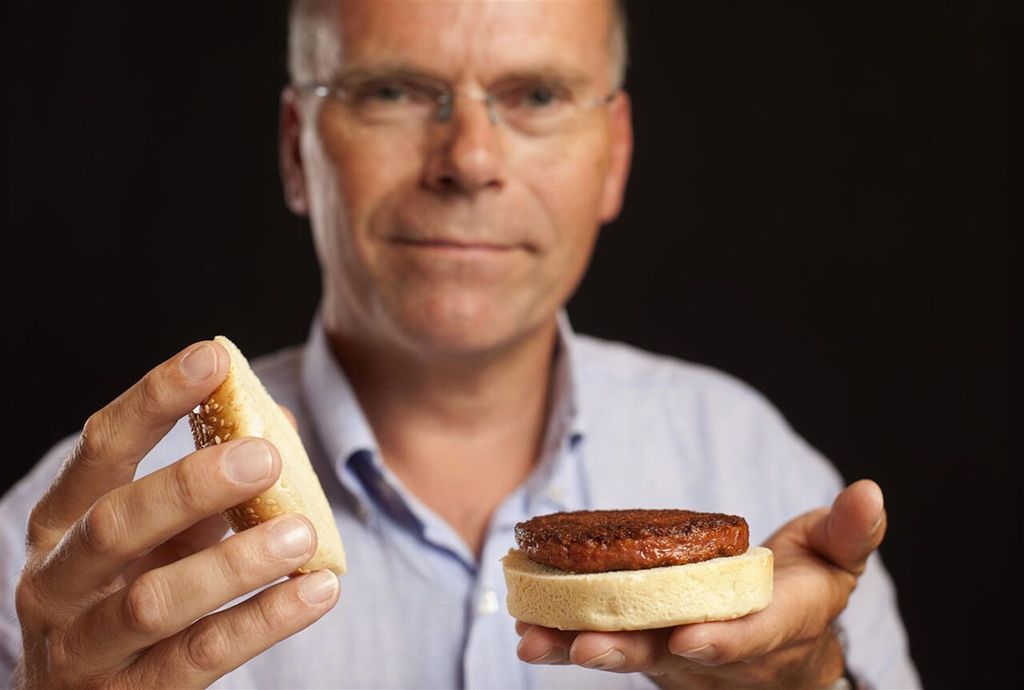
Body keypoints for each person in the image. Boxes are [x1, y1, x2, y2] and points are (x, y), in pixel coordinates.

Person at [0, 1, 920, 688]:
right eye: (395, 91)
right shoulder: (70, 563)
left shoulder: (760, 466)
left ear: (617, 153)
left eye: (538, 95)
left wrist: (812, 681)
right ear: (296, 148)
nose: (470, 159)